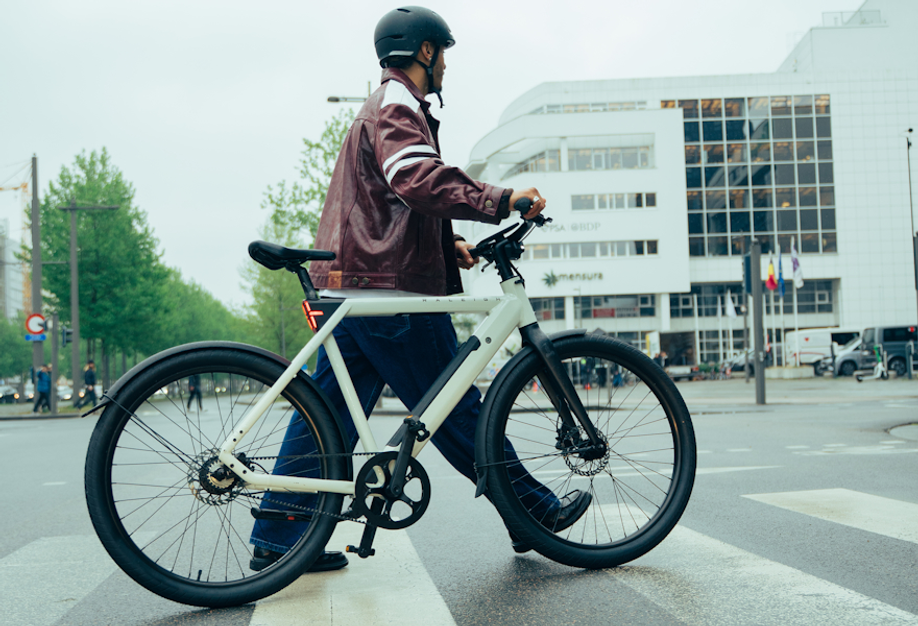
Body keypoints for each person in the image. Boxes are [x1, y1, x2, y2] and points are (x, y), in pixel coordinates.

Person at [248, 6, 591, 574]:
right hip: (391, 294)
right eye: (444, 55)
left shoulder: (383, 104)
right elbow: (414, 178)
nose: (446, 67)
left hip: (361, 282)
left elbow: (388, 199)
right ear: (426, 52)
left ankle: (278, 534)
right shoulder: (398, 103)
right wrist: (500, 200)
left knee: (324, 414)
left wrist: (441, 243)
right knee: (458, 407)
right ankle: (533, 511)